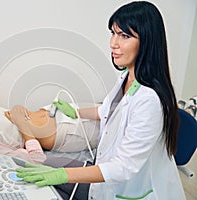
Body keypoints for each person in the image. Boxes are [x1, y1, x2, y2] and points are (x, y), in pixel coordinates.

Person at [16, 1, 186, 200]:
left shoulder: (149, 99)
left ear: (147, 41)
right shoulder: (128, 76)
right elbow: (107, 110)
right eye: (113, 33)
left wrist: (62, 174)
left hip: (131, 189)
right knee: (30, 168)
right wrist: (74, 111)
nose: (113, 43)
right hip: (106, 173)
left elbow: (124, 167)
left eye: (124, 36)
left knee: (45, 181)